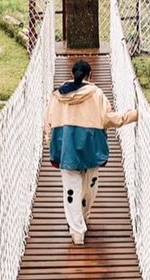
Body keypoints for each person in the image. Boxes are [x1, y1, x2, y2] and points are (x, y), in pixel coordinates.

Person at [44, 59, 138, 245]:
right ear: (90, 76)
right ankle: (83, 217)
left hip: (66, 148)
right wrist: (134, 115)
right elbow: (109, 119)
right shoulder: (97, 95)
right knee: (89, 187)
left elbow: (48, 122)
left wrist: (51, 143)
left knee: (71, 188)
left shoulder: (56, 96)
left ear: (72, 74)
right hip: (91, 148)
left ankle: (77, 231)